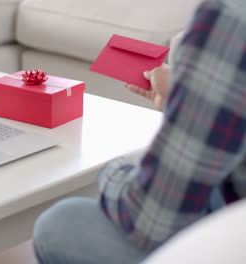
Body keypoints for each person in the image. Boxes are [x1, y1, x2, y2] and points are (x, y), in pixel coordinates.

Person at [32, 0, 246, 263]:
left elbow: (153, 221)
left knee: (60, 224)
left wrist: (113, 169)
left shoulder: (229, 19)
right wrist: (193, 99)